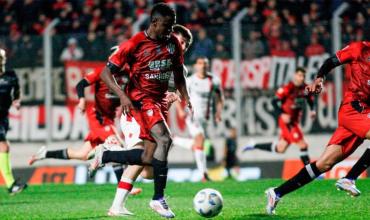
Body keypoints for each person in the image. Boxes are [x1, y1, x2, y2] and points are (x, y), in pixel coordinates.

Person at [90, 3, 192, 218]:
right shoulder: (135, 43)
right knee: (165, 140)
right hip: (139, 101)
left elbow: (179, 75)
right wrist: (123, 96)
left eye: (172, 25)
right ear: (154, 22)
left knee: (148, 159)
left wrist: (186, 95)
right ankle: (157, 199)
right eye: (166, 25)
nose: (170, 31)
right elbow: (105, 74)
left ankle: (106, 155)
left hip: (157, 104)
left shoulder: (172, 43)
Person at [265, 41, 370, 215]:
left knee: (324, 164)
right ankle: (350, 178)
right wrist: (319, 78)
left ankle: (276, 193)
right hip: (353, 108)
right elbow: (331, 61)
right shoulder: (360, 48)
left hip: (364, 115)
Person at [29, 46, 126, 181]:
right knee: (117, 146)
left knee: (83, 155)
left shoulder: (127, 75)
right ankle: (123, 184)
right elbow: (80, 85)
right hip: (98, 117)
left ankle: (44, 154)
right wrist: (82, 101)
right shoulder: (101, 72)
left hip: (109, 118)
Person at [243, 67, 316, 166]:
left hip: (294, 121)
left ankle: (253, 145)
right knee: (303, 144)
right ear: (295, 75)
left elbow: (310, 99)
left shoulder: (305, 88)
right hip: (287, 122)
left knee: (281, 148)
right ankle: (310, 171)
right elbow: (273, 101)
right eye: (299, 75)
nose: (301, 78)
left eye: (303, 76)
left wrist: (312, 110)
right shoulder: (288, 88)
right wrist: (282, 113)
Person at [172, 56, 224, 181]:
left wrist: (218, 113)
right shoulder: (189, 81)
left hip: (206, 118)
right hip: (192, 116)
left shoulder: (214, 80)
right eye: (200, 63)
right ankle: (203, 175)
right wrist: (179, 110)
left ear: (208, 65)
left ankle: (175, 140)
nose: (203, 66)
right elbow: (176, 96)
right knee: (200, 139)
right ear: (196, 66)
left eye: (205, 63)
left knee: (198, 145)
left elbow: (219, 98)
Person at [0, 48, 28, 194]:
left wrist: (17, 100)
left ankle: (11, 185)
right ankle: (11, 185)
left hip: (3, 116)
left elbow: (17, 91)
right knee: (4, 147)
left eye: (1, 57)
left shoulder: (10, 75)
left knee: (4, 147)